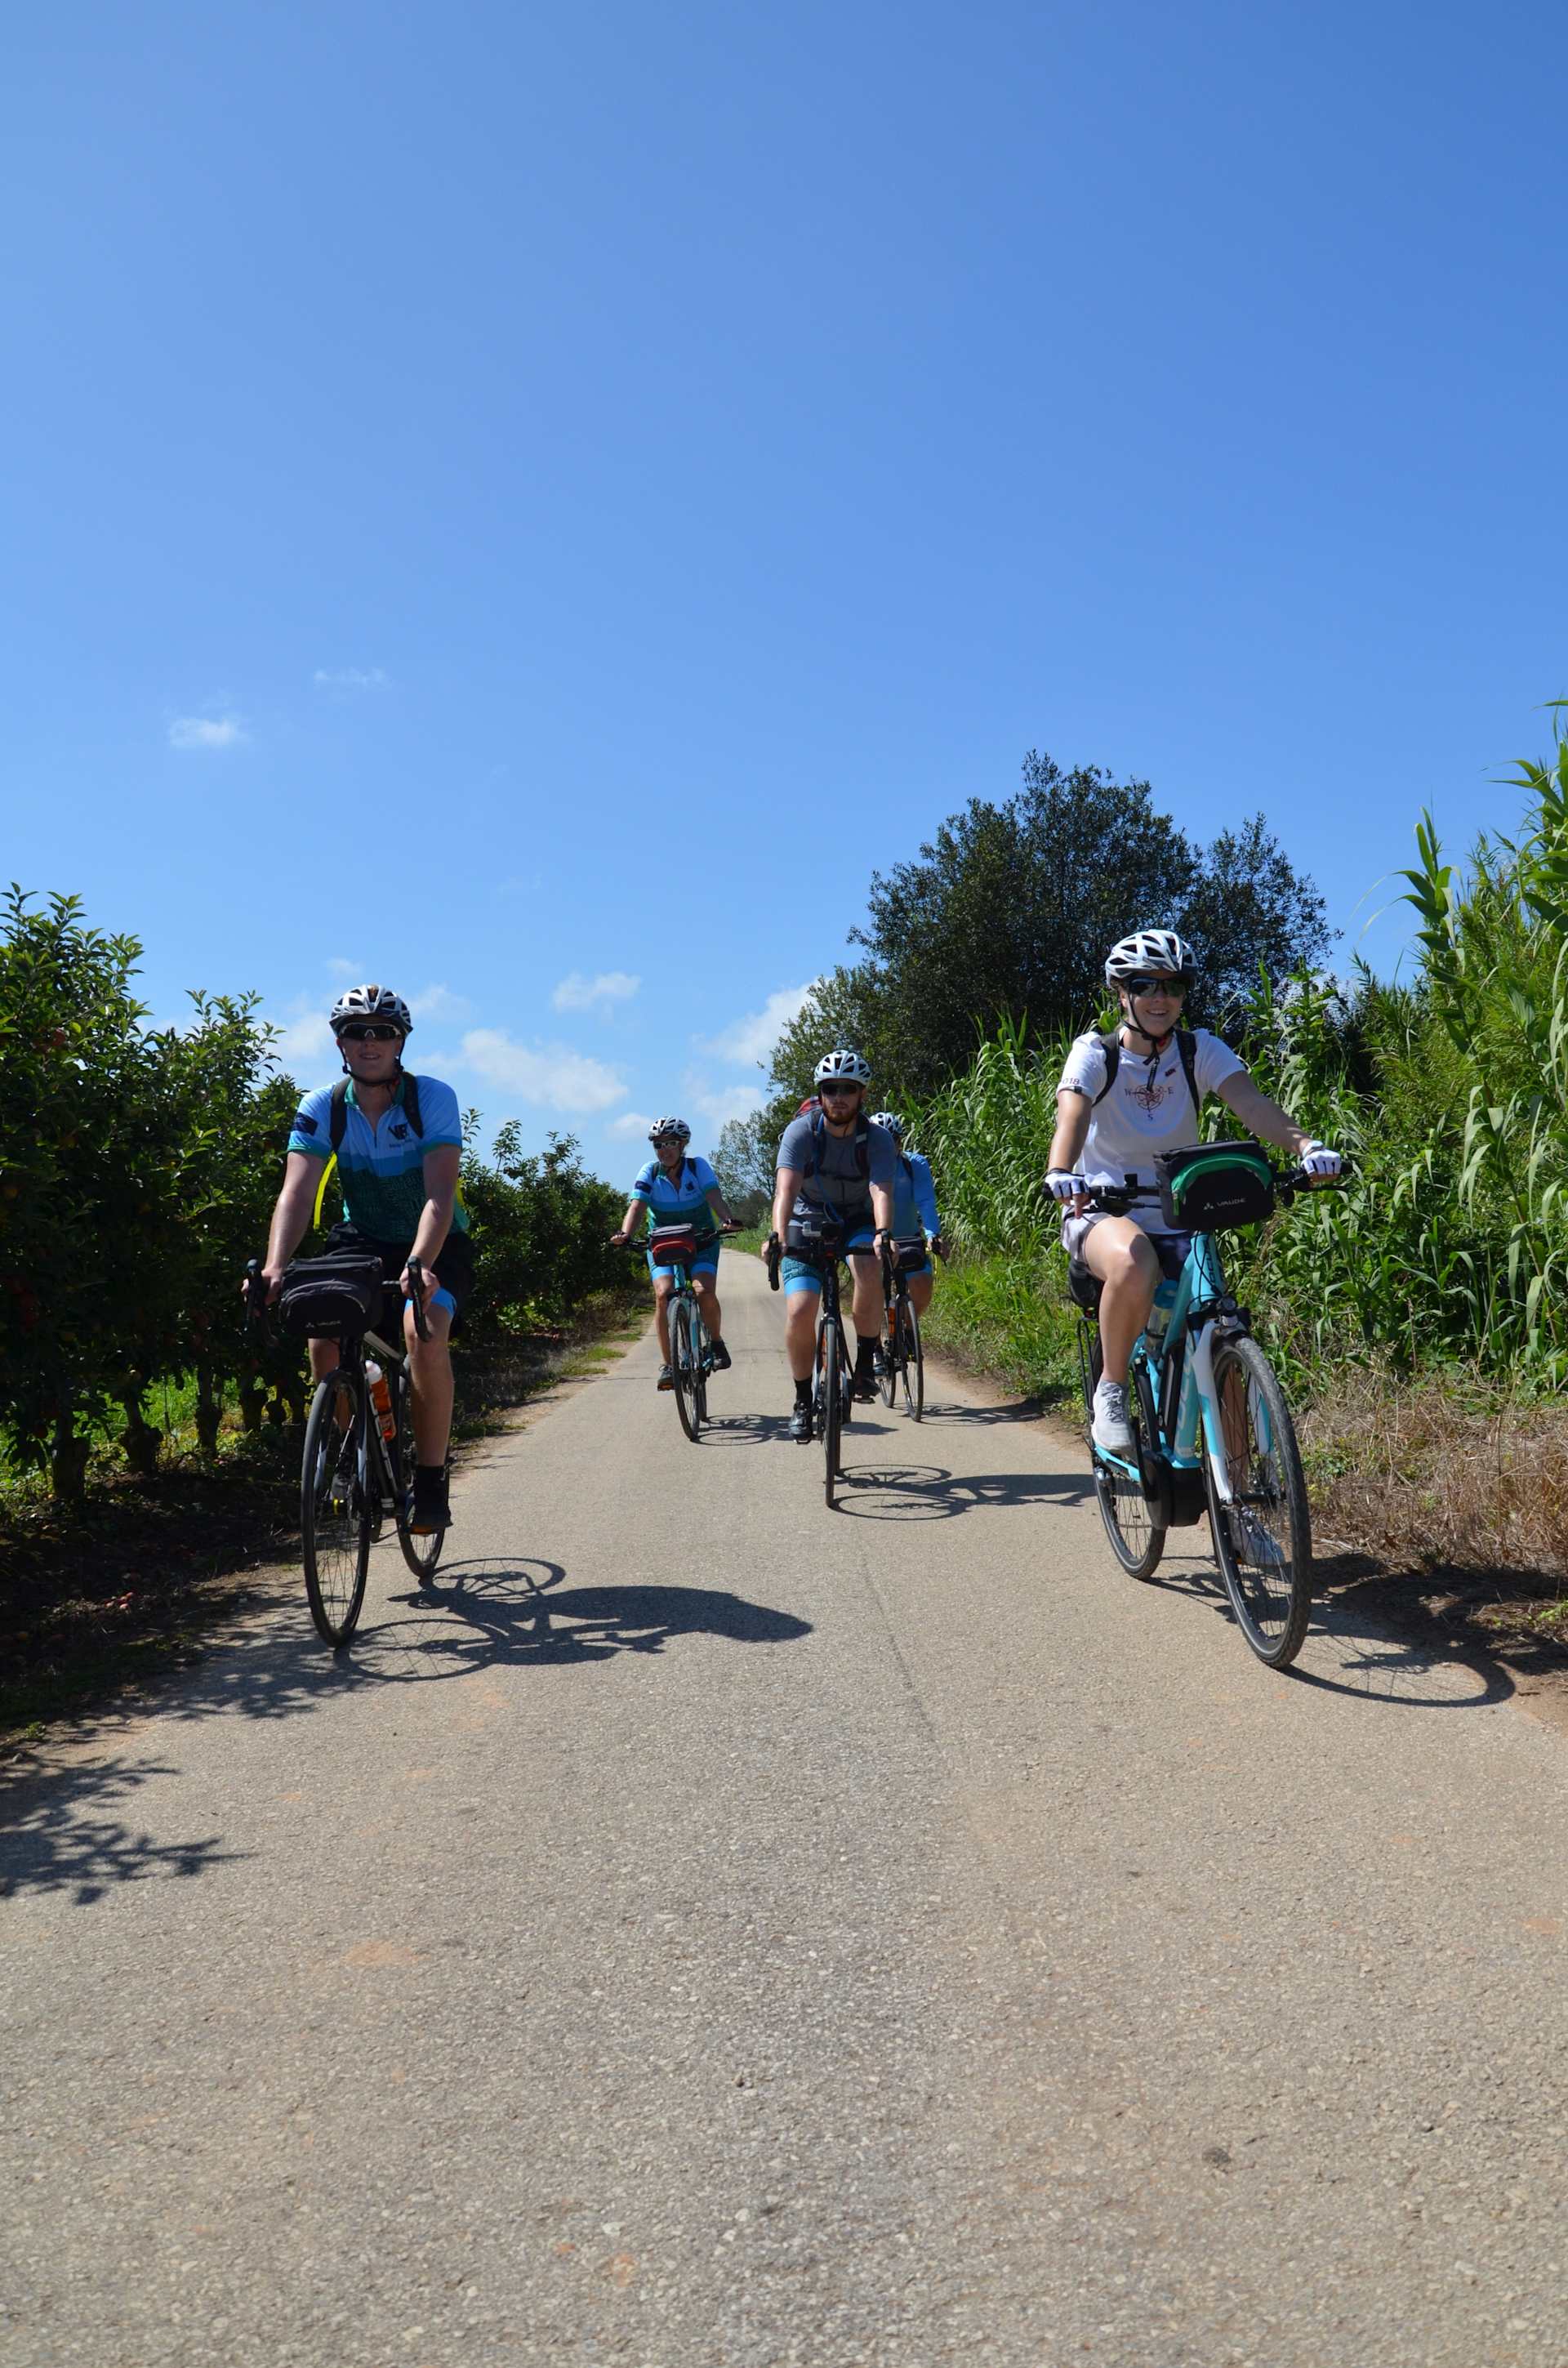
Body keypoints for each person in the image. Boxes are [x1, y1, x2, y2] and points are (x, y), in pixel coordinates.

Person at [1044, 930, 1343, 1456]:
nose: (1161, 999)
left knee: (1216, 1320)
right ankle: (1111, 1390)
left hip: (1178, 1209)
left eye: (1173, 986)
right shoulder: (1096, 1053)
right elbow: (1073, 1111)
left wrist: (1305, 1145)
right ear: (1121, 992)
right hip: (1101, 1207)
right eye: (1145, 985)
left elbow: (1250, 1103)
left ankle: (1239, 1488)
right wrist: (1060, 1169)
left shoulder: (1197, 1048)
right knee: (1135, 1262)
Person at [261, 983, 474, 1533]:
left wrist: (421, 1261)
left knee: (422, 1332)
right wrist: (275, 1265)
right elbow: (297, 1194)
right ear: (341, 1042)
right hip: (363, 1237)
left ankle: (429, 1482)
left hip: (437, 1239)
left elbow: (439, 1196)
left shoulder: (431, 1098)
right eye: (358, 1031)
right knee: (322, 1333)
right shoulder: (322, 1107)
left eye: (383, 1031)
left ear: (401, 1040)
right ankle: (358, 1450)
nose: (370, 1041)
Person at [769, 1050, 898, 1440]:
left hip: (857, 1217)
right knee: (801, 1309)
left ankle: (862, 1368)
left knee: (869, 1267)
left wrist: (883, 1232)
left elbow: (880, 1189)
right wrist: (777, 1236)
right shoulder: (801, 1132)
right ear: (820, 1094)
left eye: (848, 1089)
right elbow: (786, 1190)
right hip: (806, 1215)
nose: (838, 1096)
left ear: (862, 1095)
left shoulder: (876, 1138)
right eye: (830, 1089)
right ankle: (802, 1400)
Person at [611, 1119, 738, 1387]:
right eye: (658, 1145)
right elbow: (637, 1207)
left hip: (701, 1240)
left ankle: (716, 1344)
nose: (664, 1150)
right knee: (662, 1294)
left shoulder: (697, 1166)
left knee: (703, 1291)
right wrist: (625, 1234)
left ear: (682, 1145)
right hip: (663, 1244)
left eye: (670, 1143)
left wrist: (727, 1219)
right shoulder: (650, 1171)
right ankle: (669, 1365)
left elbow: (714, 1196)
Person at [869, 1111, 946, 1331]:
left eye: (890, 1141)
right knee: (869, 1296)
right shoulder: (861, 1168)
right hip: (871, 1240)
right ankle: (873, 1349)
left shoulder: (915, 1164)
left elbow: (925, 1201)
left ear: (899, 1142)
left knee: (923, 1285)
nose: (883, 1147)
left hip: (907, 1238)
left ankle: (907, 1329)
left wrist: (933, 1235)